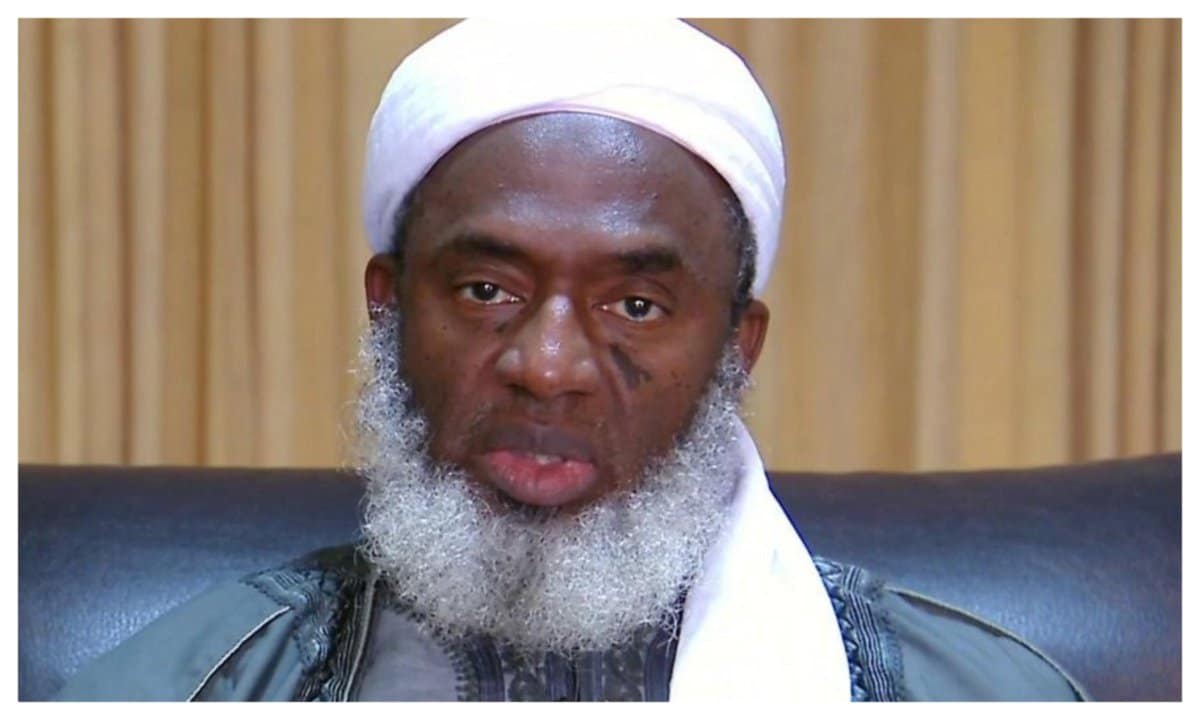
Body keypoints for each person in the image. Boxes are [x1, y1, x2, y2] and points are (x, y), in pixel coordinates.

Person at [55, 19, 1087, 702]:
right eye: (487, 291)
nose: (548, 367)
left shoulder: (980, 695)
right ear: (388, 309)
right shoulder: (195, 686)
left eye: (634, 305)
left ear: (736, 350)